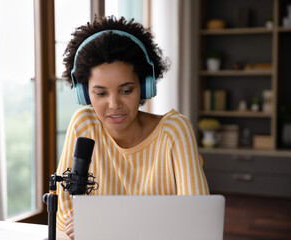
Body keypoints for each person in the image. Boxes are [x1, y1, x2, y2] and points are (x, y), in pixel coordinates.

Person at [56, 16, 209, 239]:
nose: (114, 105)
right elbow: (63, 215)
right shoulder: (84, 125)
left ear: (145, 86)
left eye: (126, 90)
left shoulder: (174, 131)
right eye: (100, 93)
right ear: (84, 93)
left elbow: (198, 219)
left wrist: (104, 224)